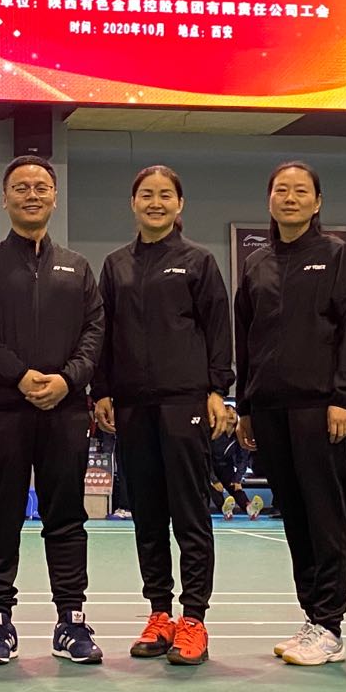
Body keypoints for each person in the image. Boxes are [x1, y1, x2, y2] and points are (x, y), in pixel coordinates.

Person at [0, 155, 105, 665]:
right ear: (5, 199)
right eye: (20, 187)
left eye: (41, 187)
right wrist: (19, 375)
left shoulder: (77, 267)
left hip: (65, 412)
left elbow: (95, 332)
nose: (31, 195)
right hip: (3, 410)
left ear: (54, 197)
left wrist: (68, 380)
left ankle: (72, 621)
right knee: (1, 518)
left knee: (66, 518)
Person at [90, 165, 235, 666]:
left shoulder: (198, 261)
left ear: (179, 204)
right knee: (147, 515)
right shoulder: (115, 265)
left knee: (190, 513)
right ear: (133, 204)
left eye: (165, 195)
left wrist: (217, 389)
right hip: (133, 405)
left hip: (185, 403)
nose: (156, 202)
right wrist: (102, 390)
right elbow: (103, 332)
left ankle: (193, 618)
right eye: (146, 195)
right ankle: (159, 613)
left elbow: (218, 328)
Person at [234, 161, 346, 667]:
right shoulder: (257, 264)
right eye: (281, 190)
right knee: (294, 515)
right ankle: (313, 617)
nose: (290, 198)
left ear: (317, 203)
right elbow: (246, 337)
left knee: (326, 516)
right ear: (269, 199)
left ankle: (330, 624)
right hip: (270, 408)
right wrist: (246, 406)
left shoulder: (335, 256)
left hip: (321, 407)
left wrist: (344, 397)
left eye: (300, 191)